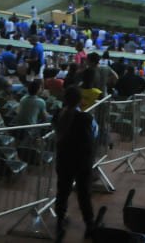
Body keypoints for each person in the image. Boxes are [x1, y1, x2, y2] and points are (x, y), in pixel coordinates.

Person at [53, 87, 98, 241]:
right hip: (82, 160)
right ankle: (89, 225)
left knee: (63, 190)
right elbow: (95, 133)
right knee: (84, 193)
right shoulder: (86, 118)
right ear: (80, 101)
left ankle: (59, 221)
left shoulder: (58, 115)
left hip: (64, 158)